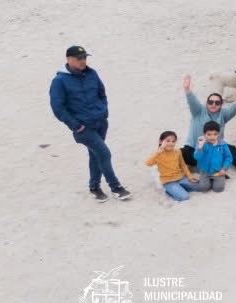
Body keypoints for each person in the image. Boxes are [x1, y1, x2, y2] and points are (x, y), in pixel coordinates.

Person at [49, 46, 131, 201]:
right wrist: (75, 126)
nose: (83, 61)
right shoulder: (59, 81)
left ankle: (94, 187)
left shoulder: (92, 73)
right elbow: (58, 108)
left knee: (96, 155)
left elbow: (102, 93)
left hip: (101, 122)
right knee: (104, 153)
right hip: (83, 128)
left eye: (84, 58)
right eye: (79, 58)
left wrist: (103, 110)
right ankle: (116, 187)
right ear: (69, 60)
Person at [181, 74, 236, 174]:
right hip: (195, 149)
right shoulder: (198, 111)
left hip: (214, 151)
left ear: (221, 105)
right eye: (211, 102)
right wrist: (187, 89)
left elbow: (233, 109)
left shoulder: (223, 114)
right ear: (207, 103)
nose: (213, 104)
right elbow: (192, 101)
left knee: (231, 149)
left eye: (217, 103)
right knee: (180, 153)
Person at [146, 131, 205, 202]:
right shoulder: (157, 154)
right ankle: (170, 190)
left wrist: (190, 176)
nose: (171, 143)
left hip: (181, 178)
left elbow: (183, 165)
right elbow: (148, 163)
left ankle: (180, 188)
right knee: (185, 197)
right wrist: (158, 153)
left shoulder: (177, 152)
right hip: (169, 181)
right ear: (161, 141)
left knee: (201, 187)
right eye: (168, 141)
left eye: (173, 141)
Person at [192, 122, 233, 194]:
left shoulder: (223, 144)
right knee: (203, 188)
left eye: (215, 134)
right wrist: (200, 148)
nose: (212, 137)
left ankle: (221, 178)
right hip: (205, 171)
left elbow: (228, 157)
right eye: (209, 134)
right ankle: (207, 180)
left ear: (218, 134)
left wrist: (224, 168)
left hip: (218, 171)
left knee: (218, 188)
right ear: (204, 134)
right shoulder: (201, 144)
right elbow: (196, 157)